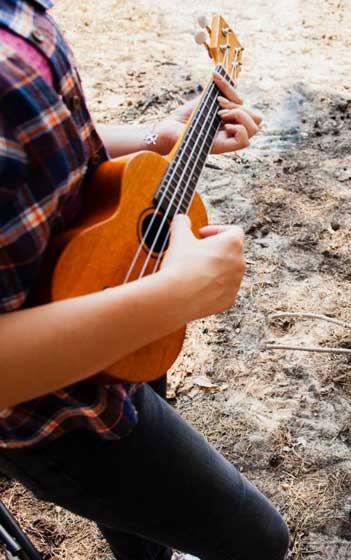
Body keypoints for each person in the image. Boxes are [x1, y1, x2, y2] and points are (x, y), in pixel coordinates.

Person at [0, 1, 289, 559]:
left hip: (111, 302)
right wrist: (174, 296)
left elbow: (43, 149)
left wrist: (158, 138)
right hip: (57, 417)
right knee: (258, 540)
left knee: (142, 519)